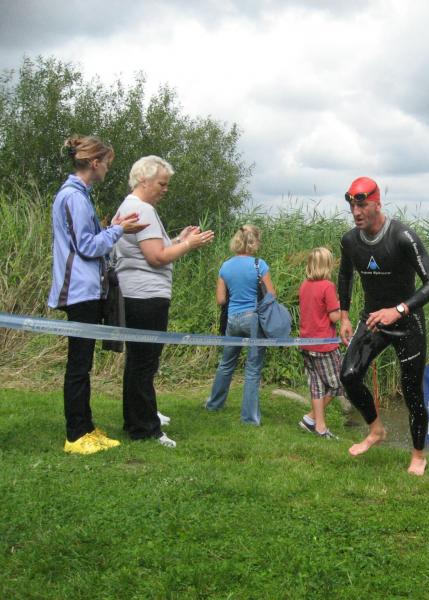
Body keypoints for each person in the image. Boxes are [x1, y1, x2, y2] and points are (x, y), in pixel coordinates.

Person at [48, 135, 144, 455]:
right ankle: (76, 435)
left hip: (86, 290)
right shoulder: (73, 197)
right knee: (78, 365)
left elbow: (88, 239)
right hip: (79, 291)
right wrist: (119, 230)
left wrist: (112, 227)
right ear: (94, 162)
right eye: (106, 163)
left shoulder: (79, 196)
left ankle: (86, 427)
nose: (107, 169)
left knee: (83, 363)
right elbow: (87, 247)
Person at [338, 176, 429, 475]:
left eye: (362, 206)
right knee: (349, 375)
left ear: (377, 204)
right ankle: (377, 430)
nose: (356, 212)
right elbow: (345, 276)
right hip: (372, 320)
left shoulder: (403, 237)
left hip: (407, 322)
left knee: (411, 392)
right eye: (352, 207)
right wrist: (344, 316)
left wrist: (399, 309)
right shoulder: (349, 241)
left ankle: (418, 455)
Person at [114, 155, 215, 447]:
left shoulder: (130, 206)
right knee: (145, 363)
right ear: (143, 180)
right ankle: (146, 428)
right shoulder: (142, 209)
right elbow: (156, 257)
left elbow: (155, 247)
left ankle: (137, 419)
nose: (165, 189)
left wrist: (177, 240)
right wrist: (188, 244)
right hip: (146, 296)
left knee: (138, 361)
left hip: (137, 294)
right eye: (162, 183)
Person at [205, 225, 274, 424]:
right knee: (252, 369)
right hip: (253, 319)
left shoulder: (225, 266)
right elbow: (271, 295)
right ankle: (250, 418)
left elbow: (220, 300)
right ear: (254, 242)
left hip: (232, 318)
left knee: (226, 363)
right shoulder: (259, 265)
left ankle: (214, 404)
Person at [297, 247, 345, 439]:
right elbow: (334, 317)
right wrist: (340, 306)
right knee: (339, 383)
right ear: (327, 265)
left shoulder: (304, 285)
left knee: (316, 385)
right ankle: (313, 420)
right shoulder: (328, 286)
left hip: (306, 343)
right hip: (324, 346)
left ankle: (317, 424)